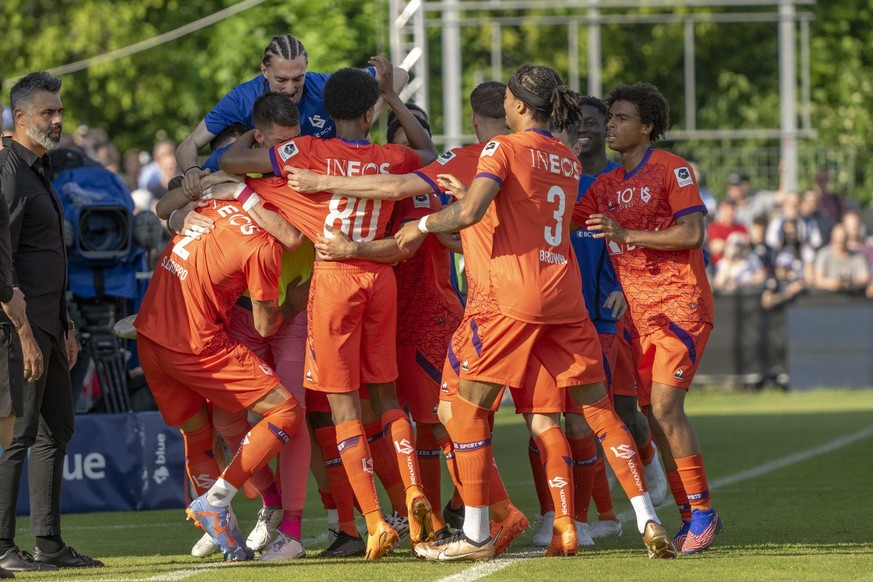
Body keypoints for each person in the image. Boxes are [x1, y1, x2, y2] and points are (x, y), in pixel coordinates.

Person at [384, 65, 672, 562]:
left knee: (461, 409)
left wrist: (424, 224)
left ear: (515, 107)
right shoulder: (565, 156)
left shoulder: (503, 148)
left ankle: (476, 531)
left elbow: (472, 213)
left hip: (510, 297)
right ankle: (647, 518)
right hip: (565, 296)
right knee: (597, 412)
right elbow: (519, 211)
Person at [285, 80, 531, 558]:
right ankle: (431, 514)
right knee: (403, 416)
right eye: (396, 133)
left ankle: (482, 512)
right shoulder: (400, 178)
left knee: (440, 420)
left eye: (409, 137)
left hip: (424, 315)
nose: (402, 146)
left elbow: (414, 236)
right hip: (393, 310)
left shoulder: (418, 181)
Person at [216, 57, 438, 561]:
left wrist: (255, 136)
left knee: (341, 410)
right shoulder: (390, 156)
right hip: (380, 277)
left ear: (324, 109)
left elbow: (230, 163)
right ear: (370, 113)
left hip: (333, 278)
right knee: (385, 400)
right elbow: (426, 151)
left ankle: (377, 521)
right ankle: (415, 493)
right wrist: (394, 97)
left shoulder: (306, 151)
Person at [573, 81, 722, 554]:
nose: (611, 126)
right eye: (610, 117)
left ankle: (703, 512)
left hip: (681, 305)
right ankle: (689, 514)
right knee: (649, 416)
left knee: (663, 409)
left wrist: (627, 232)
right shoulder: (606, 185)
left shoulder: (671, 170)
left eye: (620, 118)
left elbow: (693, 233)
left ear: (647, 126)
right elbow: (563, 218)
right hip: (638, 316)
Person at [137, 167, 306, 561]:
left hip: (149, 335)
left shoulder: (213, 205)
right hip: (195, 344)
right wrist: (292, 307)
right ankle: (216, 501)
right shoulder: (264, 246)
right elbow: (265, 325)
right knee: (285, 412)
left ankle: (226, 537)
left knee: (198, 436)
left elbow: (168, 207)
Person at [0, 72, 103, 571]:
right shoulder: (8, 172)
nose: (58, 120)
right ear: (19, 118)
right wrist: (23, 331)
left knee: (55, 429)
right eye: (48, 112)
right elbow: (3, 264)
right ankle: (2, 546)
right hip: (18, 327)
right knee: (16, 434)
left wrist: (64, 326)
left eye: (59, 110)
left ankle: (48, 543)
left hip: (49, 324)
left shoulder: (39, 168)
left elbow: (46, 257)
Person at [176, 33, 408, 199]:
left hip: (314, 189)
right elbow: (189, 144)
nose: (290, 88)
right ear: (264, 71)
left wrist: (362, 124)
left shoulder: (324, 86)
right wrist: (191, 173)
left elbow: (399, 75)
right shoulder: (241, 98)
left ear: (307, 68)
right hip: (261, 191)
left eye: (298, 78)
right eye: (281, 80)